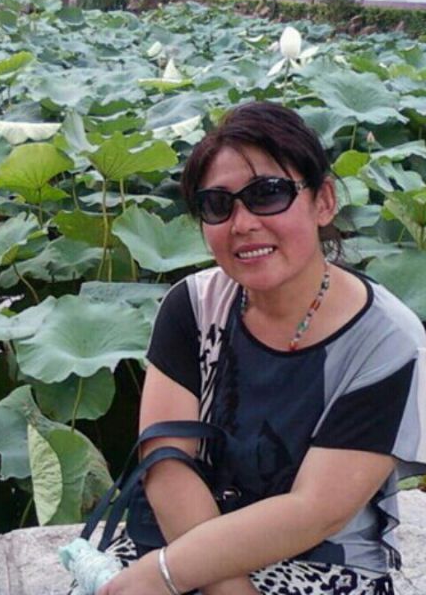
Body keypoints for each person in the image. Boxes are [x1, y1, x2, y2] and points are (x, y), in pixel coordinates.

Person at [97, 102, 426, 595]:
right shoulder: (192, 306)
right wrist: (204, 579)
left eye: (267, 194)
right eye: (217, 204)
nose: (243, 223)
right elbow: (165, 462)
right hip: (186, 536)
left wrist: (168, 575)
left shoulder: (386, 342)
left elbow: (314, 511)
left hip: (322, 564)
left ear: (323, 201)